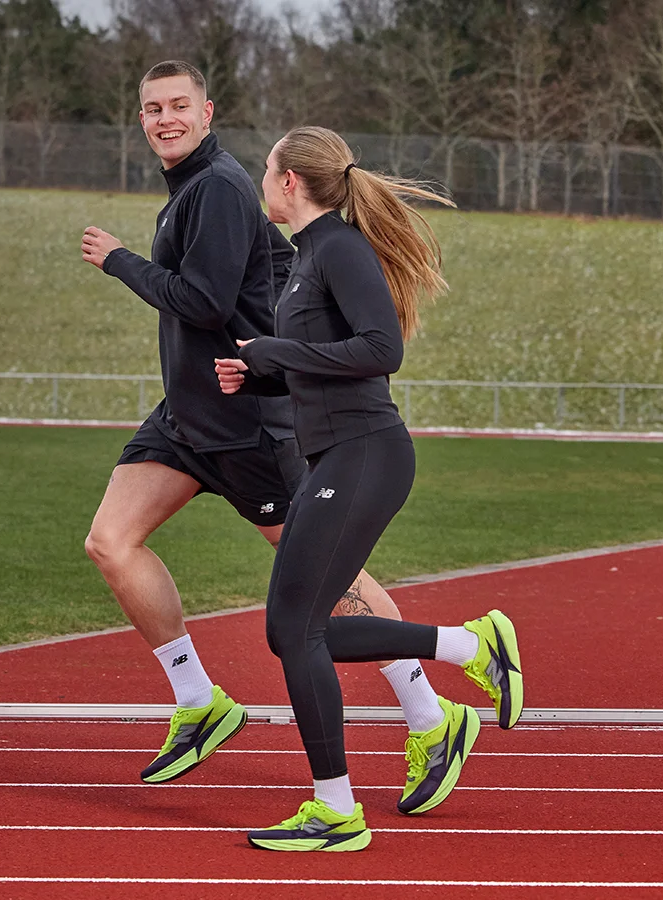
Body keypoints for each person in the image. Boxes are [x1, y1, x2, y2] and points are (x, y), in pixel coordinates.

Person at [78, 59, 480, 815]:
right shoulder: (187, 193)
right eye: (153, 109)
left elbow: (203, 303)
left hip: (250, 424)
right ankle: (199, 701)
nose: (166, 119)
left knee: (324, 580)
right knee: (111, 540)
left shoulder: (220, 187)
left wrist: (119, 261)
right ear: (140, 118)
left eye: (179, 105)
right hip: (189, 415)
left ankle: (432, 714)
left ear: (207, 112)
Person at [213, 126, 524, 852]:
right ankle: (469, 645)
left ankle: (336, 809)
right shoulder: (307, 256)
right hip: (338, 458)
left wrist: (277, 349)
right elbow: (324, 361)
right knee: (293, 631)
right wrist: (259, 373)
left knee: (296, 631)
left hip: (365, 455)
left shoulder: (340, 248)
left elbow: (382, 349)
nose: (262, 181)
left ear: (290, 182)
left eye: (266, 170)